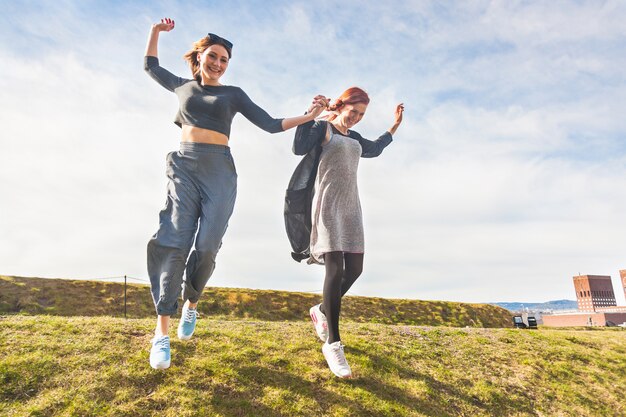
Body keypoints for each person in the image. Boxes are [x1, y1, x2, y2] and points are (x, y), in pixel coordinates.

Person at [144, 17, 327, 370]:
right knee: (174, 240)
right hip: (184, 166)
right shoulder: (182, 87)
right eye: (213, 56)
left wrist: (310, 115)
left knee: (208, 246)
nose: (217, 63)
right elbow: (150, 66)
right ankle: (161, 332)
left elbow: (272, 124)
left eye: (224, 59)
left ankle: (191, 303)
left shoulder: (233, 95)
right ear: (199, 57)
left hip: (221, 173)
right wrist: (155, 33)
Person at [287, 87, 404, 378]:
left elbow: (374, 148)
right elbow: (299, 147)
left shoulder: (355, 139)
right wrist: (310, 114)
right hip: (327, 206)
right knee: (335, 270)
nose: (356, 118)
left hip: (352, 208)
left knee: (355, 269)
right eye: (353, 112)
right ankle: (333, 343)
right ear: (342, 106)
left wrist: (394, 128)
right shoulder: (324, 129)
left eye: (362, 115)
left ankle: (321, 311)